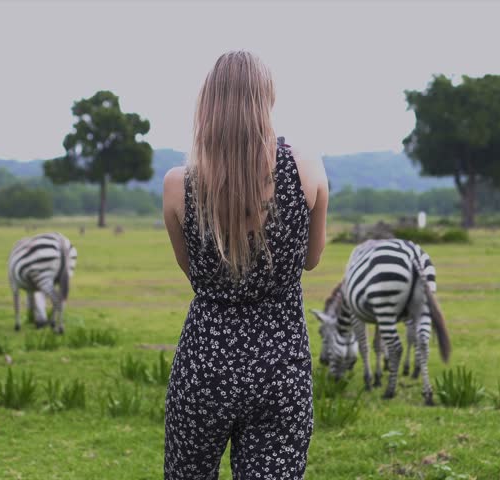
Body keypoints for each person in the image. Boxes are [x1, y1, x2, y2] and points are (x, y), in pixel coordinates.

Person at [161, 51, 329, 479]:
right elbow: (311, 261)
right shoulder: (306, 167)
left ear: (208, 103)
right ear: (267, 99)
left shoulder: (179, 184)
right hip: (281, 365)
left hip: (204, 366)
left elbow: (193, 274)